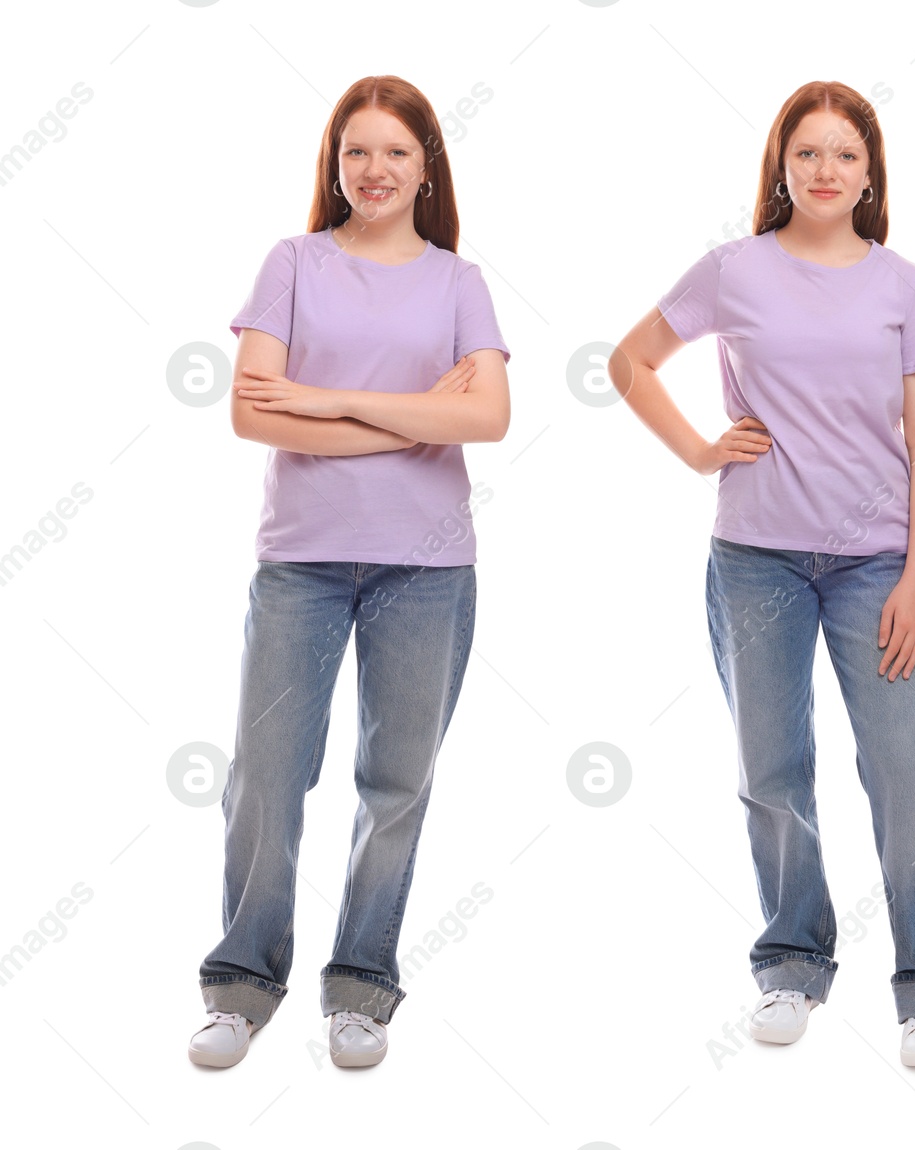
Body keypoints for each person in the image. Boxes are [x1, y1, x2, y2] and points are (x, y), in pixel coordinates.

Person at [609, 80, 915, 1068]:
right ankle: (791, 962)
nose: (825, 171)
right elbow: (631, 361)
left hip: (876, 567)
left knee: (904, 772)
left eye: (844, 156)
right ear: (781, 165)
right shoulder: (732, 271)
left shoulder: (904, 285)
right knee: (772, 771)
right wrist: (697, 450)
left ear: (870, 173)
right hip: (755, 558)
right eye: (807, 153)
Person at [188, 75, 511, 1069]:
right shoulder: (292, 263)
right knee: (267, 777)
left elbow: (487, 419)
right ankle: (243, 984)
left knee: (395, 782)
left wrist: (322, 402)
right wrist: (415, 410)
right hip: (302, 564)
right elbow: (250, 412)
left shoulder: (461, 282)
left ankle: (361, 986)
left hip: (429, 567)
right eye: (357, 152)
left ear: (426, 169)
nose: (375, 170)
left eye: (396, 153)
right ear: (335, 166)